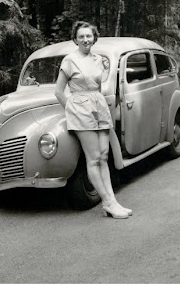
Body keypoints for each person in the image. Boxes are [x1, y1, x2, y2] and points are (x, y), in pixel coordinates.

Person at [55, 21, 132, 219]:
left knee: (104, 155)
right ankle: (107, 202)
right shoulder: (70, 60)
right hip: (81, 110)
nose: (85, 40)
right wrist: (72, 110)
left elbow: (97, 88)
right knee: (94, 157)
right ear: (75, 39)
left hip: (98, 106)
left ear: (94, 38)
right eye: (81, 36)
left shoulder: (99, 60)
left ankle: (112, 200)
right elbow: (58, 91)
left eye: (88, 36)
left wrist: (99, 106)